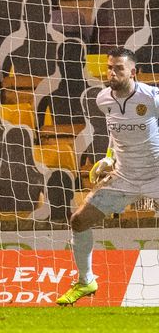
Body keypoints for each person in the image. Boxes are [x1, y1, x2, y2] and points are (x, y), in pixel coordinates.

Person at [56, 47, 159, 306]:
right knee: (79, 221)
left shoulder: (152, 98)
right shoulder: (103, 99)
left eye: (119, 68)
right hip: (123, 176)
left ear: (133, 72)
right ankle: (86, 281)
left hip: (156, 173)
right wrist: (109, 157)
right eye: (109, 67)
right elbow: (115, 130)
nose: (112, 72)